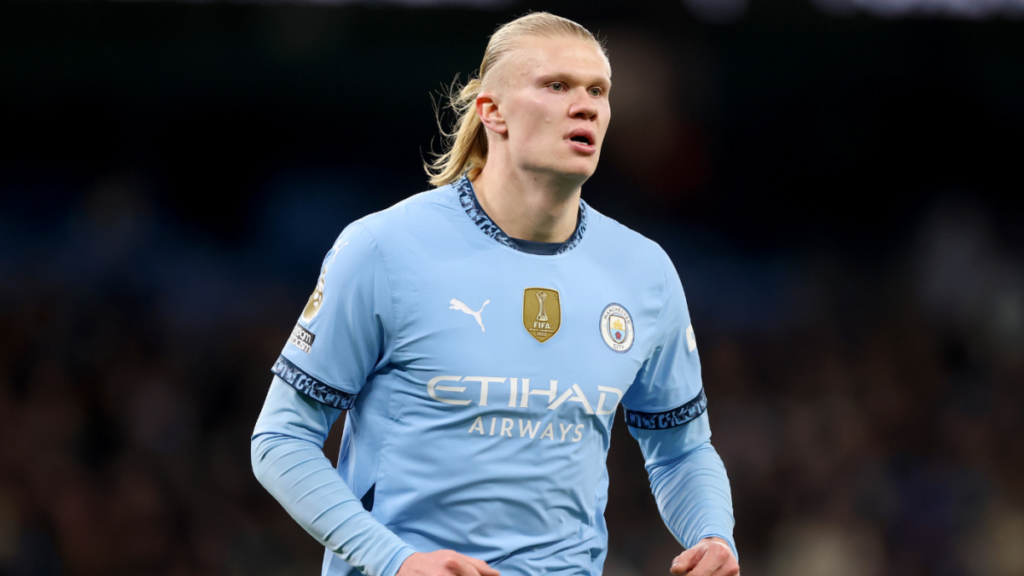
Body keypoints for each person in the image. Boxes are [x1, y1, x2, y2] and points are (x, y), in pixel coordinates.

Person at [251, 12, 739, 576]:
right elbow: (281, 439)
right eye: (556, 85)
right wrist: (397, 561)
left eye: (598, 91)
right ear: (492, 111)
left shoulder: (644, 272)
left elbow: (682, 449)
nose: (585, 106)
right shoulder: (383, 249)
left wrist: (712, 534)